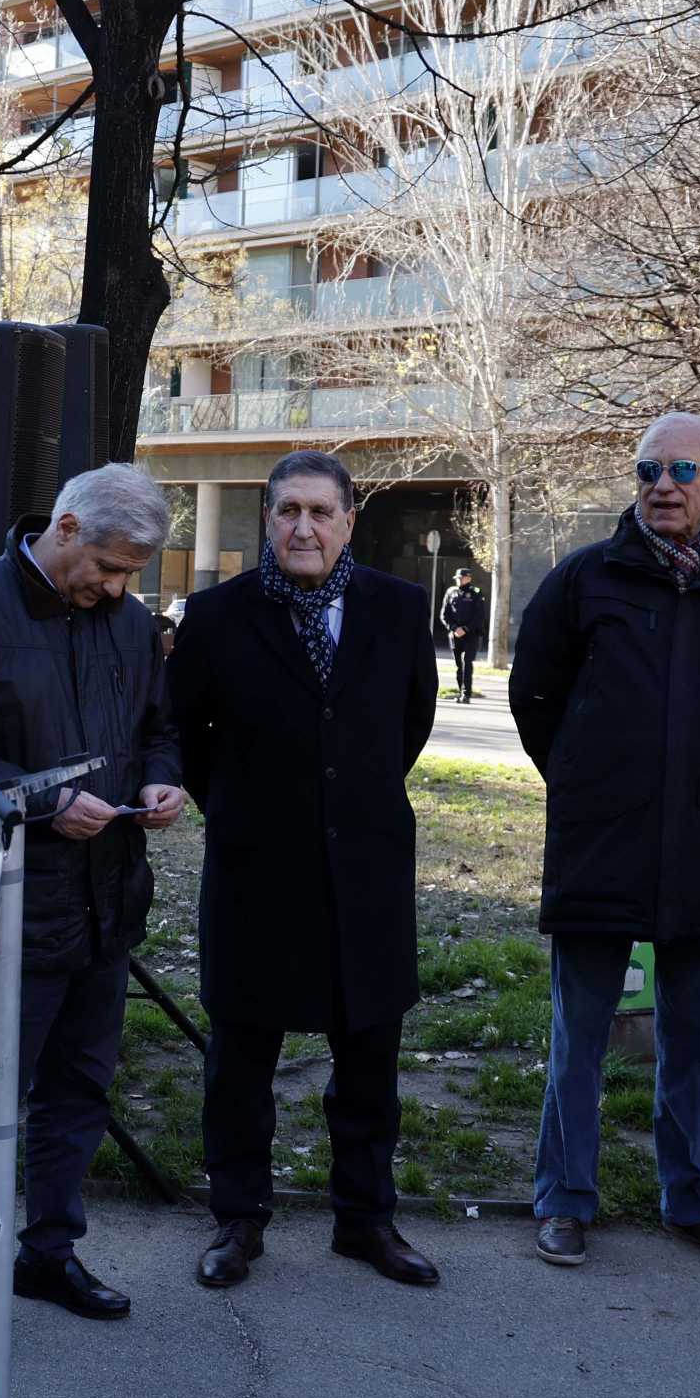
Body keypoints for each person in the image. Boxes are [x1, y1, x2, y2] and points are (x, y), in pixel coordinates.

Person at [510, 413, 700, 1272]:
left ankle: (692, 1200)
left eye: (682, 470)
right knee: (580, 1033)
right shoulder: (586, 577)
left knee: (694, 1036)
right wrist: (583, 780)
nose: (664, 486)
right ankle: (564, 1199)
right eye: (649, 470)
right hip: (601, 840)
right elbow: (535, 694)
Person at [0, 462, 186, 1321]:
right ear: (64, 529)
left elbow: (159, 728)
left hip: (106, 904)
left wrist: (163, 778)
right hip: (2, 907)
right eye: (107, 566)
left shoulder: (128, 624)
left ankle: (49, 1252)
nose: (117, 587)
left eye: (131, 573)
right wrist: (41, 802)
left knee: (79, 1091)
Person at [169, 451, 445, 1292]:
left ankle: (366, 1219)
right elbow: (185, 735)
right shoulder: (216, 616)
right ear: (267, 519)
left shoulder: (399, 608)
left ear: (349, 521)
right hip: (256, 867)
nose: (303, 528)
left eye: (321, 512)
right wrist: (244, 808)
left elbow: (411, 722)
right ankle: (238, 1218)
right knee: (241, 1058)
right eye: (288, 511)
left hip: (367, 866)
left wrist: (350, 801)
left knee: (368, 1056)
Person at [441, 567, 487, 703]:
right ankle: (460, 691)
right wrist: (454, 628)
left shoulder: (476, 593)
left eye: (461, 578)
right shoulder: (451, 592)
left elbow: (479, 616)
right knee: (458, 665)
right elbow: (444, 614)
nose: (459, 580)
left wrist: (465, 629)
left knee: (467, 662)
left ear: (468, 578)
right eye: (458, 578)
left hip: (470, 634)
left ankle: (466, 694)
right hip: (455, 634)